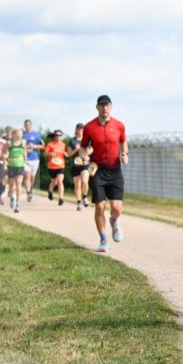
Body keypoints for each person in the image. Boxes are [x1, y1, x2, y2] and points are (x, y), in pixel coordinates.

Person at [81, 96, 128, 252]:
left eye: (107, 105)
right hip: (98, 170)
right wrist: (84, 155)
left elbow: (123, 141)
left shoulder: (119, 125)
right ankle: (103, 240)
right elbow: (83, 147)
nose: (104, 108)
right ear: (97, 107)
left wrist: (125, 153)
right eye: (101, 105)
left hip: (115, 170)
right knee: (100, 206)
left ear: (111, 107)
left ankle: (114, 221)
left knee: (117, 207)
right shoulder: (89, 127)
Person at [66, 123, 91, 210]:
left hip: (84, 163)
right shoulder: (72, 141)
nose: (80, 130)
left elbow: (91, 149)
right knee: (77, 185)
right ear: (76, 130)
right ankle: (79, 203)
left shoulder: (87, 140)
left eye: (82, 129)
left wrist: (87, 153)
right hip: (75, 164)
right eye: (79, 129)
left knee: (85, 181)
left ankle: (84, 196)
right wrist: (76, 149)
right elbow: (68, 154)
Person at [6, 128, 27, 213]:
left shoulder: (23, 142)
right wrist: (6, 158)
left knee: (19, 184)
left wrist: (25, 158)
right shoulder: (9, 143)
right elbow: (4, 152)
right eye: (19, 133)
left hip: (20, 166)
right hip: (11, 166)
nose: (20, 135)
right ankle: (12, 197)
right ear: (14, 134)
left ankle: (17, 205)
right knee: (12, 186)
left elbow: (24, 152)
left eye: (21, 133)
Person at [44, 130, 67, 205]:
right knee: (54, 182)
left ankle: (61, 198)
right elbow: (45, 154)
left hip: (61, 166)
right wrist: (50, 153)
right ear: (54, 136)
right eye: (57, 135)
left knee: (60, 181)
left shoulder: (63, 145)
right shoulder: (50, 144)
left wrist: (66, 154)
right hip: (52, 166)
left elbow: (65, 154)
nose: (58, 137)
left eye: (60, 135)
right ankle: (50, 191)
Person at [22, 119, 42, 202]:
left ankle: (30, 190)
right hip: (25, 159)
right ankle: (28, 192)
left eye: (29, 124)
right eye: (26, 125)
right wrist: (26, 147)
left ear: (31, 125)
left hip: (35, 159)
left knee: (32, 177)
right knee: (27, 175)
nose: (27, 126)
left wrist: (34, 146)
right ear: (24, 126)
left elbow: (42, 146)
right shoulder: (22, 135)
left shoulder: (37, 135)